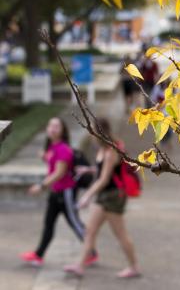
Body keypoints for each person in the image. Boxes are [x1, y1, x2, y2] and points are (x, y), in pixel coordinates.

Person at [64, 118, 140, 278]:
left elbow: (104, 179)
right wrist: (89, 169)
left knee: (121, 234)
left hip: (113, 197)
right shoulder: (102, 149)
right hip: (104, 196)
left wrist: (86, 196)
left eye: (92, 130)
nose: (90, 133)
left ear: (99, 132)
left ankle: (134, 267)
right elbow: (104, 171)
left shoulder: (111, 150)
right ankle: (80, 266)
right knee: (90, 232)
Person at [20, 117, 98, 267]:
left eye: (57, 126)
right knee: (49, 223)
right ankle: (38, 255)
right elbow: (53, 163)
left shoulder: (63, 149)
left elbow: (59, 173)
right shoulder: (52, 148)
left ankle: (91, 253)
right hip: (55, 193)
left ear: (62, 131)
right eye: (50, 125)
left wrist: (40, 186)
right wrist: (44, 156)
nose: (53, 128)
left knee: (75, 223)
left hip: (66, 193)